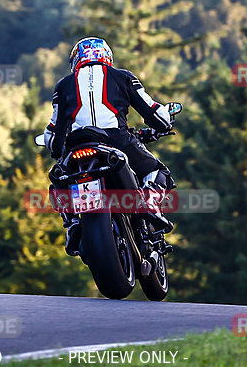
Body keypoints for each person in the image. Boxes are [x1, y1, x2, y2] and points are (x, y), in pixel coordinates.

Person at [43, 37, 175, 255]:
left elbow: (55, 131)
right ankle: (149, 206)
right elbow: (152, 112)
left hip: (76, 145)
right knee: (158, 171)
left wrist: (56, 149)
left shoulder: (63, 85)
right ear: (107, 56)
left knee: (58, 178)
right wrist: (165, 121)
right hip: (117, 140)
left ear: (76, 60)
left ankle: (73, 221)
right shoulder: (123, 77)